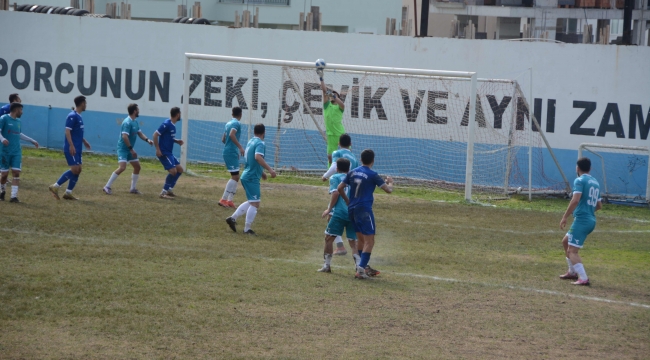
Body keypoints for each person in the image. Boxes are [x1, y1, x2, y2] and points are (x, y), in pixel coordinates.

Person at [338, 149, 393, 279]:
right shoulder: (373, 174)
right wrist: (390, 181)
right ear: (373, 160)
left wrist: (347, 201)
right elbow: (388, 190)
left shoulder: (352, 172)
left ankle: (361, 266)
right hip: (364, 209)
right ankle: (361, 268)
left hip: (352, 209)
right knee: (370, 240)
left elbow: (340, 188)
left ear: (361, 159)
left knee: (361, 239)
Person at [226, 123, 276, 235]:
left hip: (247, 175)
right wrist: (270, 170)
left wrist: (261, 172)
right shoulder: (260, 143)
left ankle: (232, 218)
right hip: (251, 177)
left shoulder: (251, 141)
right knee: (255, 203)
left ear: (254, 132)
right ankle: (247, 229)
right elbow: (257, 157)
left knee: (251, 201)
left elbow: (251, 160)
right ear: (264, 132)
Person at [559, 157, 602, 286]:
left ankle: (583, 278)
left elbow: (575, 200)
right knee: (565, 242)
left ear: (577, 168)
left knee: (572, 251)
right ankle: (572, 272)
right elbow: (599, 205)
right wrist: (588, 212)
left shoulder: (579, 180)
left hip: (582, 221)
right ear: (590, 168)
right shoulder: (595, 182)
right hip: (589, 219)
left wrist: (565, 216)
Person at [318, 158, 359, 273]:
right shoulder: (354, 178)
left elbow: (336, 193)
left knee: (329, 238)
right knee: (353, 241)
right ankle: (359, 268)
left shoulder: (335, 178)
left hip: (340, 213)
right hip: (353, 212)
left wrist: (329, 209)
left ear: (336, 168)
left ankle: (327, 266)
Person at [103, 103, 153, 195]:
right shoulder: (127, 122)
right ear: (134, 111)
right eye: (138, 110)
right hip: (123, 148)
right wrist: (131, 149)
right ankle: (107, 186)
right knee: (122, 167)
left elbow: (140, 133)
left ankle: (132, 189)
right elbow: (124, 137)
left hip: (130, 149)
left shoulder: (135, 122)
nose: (139, 111)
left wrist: (147, 140)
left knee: (137, 167)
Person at [322, 133, 358, 256]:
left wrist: (325, 176)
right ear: (351, 144)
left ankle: (340, 246)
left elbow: (333, 166)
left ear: (338, 143)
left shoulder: (337, 153)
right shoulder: (354, 157)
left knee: (332, 216)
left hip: (339, 186)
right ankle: (343, 247)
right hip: (350, 191)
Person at [49, 96, 91, 200]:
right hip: (71, 147)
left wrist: (84, 141)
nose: (86, 105)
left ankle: (68, 193)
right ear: (81, 103)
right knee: (75, 169)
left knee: (79, 169)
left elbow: (76, 132)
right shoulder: (72, 116)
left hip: (78, 147)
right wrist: (71, 145)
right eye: (85, 103)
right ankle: (55, 186)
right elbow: (67, 131)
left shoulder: (79, 116)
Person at [0, 102, 39, 202]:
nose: (22, 112)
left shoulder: (18, 121)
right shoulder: (4, 118)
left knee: (16, 173)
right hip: (5, 151)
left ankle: (14, 197)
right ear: (16, 110)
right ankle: (2, 191)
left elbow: (19, 134)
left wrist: (32, 140)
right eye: (21, 110)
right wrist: (2, 139)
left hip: (16, 151)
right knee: (4, 175)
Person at [317, 67, 345, 166]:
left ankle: (345, 174)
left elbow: (342, 104)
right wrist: (321, 78)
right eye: (332, 93)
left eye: (335, 94)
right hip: (330, 135)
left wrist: (334, 96)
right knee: (330, 157)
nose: (333, 95)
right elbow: (324, 91)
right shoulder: (327, 105)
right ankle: (330, 173)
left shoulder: (340, 107)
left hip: (340, 134)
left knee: (344, 156)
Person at [153, 107, 184, 199]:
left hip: (169, 152)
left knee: (180, 170)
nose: (180, 115)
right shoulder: (166, 124)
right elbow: (155, 135)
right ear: (177, 114)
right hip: (164, 152)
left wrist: (176, 141)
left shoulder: (172, 125)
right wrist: (157, 149)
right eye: (180, 114)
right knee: (173, 171)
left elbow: (167, 137)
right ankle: (163, 192)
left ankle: (169, 189)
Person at [219, 106, 245, 208]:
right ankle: (223, 199)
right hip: (230, 152)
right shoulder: (236, 123)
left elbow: (223, 139)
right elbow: (231, 135)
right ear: (240, 114)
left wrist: (233, 148)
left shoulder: (228, 123)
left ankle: (230, 201)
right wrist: (240, 147)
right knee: (235, 176)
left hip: (229, 151)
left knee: (236, 176)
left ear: (232, 114)